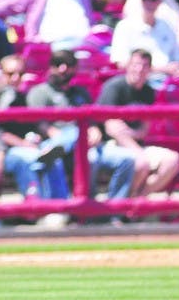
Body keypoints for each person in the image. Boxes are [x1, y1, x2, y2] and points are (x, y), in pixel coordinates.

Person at [26, 49, 137, 200]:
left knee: (128, 159)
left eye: (68, 64)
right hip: (56, 142)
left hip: (86, 144)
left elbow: (92, 122)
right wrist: (59, 136)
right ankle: (87, 205)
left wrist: (95, 131)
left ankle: (113, 209)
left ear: (75, 68)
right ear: (50, 67)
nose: (63, 69)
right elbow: (40, 124)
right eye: (58, 64)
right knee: (80, 144)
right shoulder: (39, 92)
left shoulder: (81, 93)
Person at [96, 49, 179, 198]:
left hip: (137, 146)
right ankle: (120, 206)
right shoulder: (114, 87)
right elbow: (111, 128)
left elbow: (144, 129)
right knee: (141, 163)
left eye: (144, 66)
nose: (139, 70)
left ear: (149, 69)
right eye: (135, 65)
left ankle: (136, 198)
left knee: (173, 160)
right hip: (111, 146)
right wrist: (137, 151)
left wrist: (134, 137)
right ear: (128, 65)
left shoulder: (148, 91)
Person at [0, 54, 69, 200]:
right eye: (10, 74)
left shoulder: (23, 97)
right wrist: (25, 144)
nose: (16, 78)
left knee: (53, 158)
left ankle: (60, 206)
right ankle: (34, 209)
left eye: (20, 74)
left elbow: (33, 125)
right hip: (3, 151)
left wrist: (37, 139)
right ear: (2, 74)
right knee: (31, 158)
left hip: (28, 146)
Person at [109, 0, 179, 80]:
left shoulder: (167, 27)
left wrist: (178, 69)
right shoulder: (125, 26)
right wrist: (161, 69)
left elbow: (178, 58)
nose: (148, 2)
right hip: (138, 83)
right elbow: (122, 63)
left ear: (160, 1)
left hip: (166, 83)